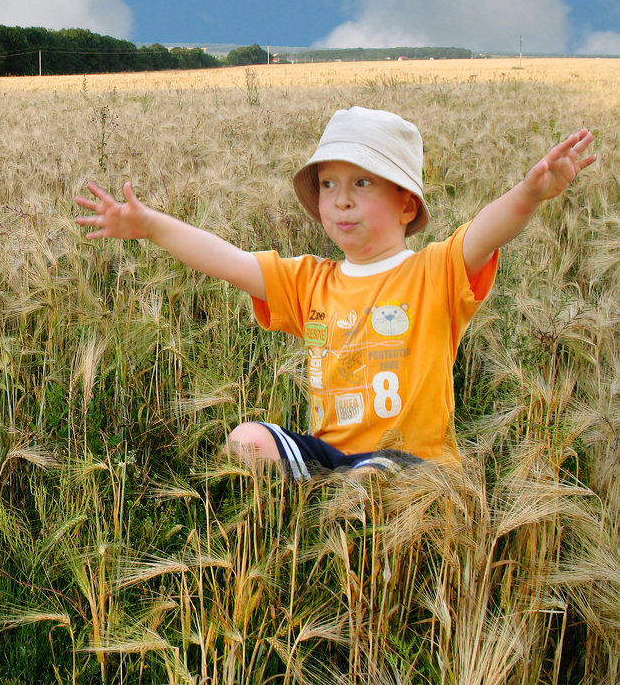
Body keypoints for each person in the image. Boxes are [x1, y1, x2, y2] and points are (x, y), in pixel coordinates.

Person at [75, 106, 596, 479]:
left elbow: (485, 231)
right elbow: (228, 261)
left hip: (416, 468)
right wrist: (151, 225)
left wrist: (530, 194)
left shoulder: (434, 273)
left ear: (406, 205)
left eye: (362, 184)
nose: (341, 201)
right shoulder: (309, 282)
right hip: (329, 456)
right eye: (328, 185)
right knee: (246, 441)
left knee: (374, 477)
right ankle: (323, 496)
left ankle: (344, 508)